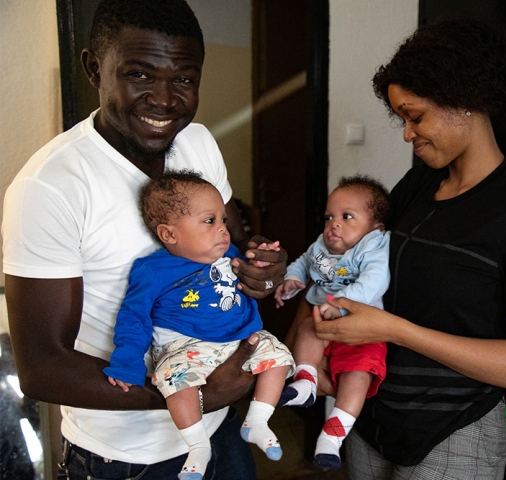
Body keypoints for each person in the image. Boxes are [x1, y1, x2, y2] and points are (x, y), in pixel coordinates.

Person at [1, 1, 287, 479]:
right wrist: (191, 392)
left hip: (223, 435)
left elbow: (233, 244)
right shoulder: (51, 186)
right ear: (95, 68)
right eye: (139, 74)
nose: (165, 100)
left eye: (184, 79)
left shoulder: (197, 142)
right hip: (125, 459)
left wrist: (260, 269)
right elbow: (43, 368)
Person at [307, 18, 506, 479]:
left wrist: (398, 330)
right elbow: (359, 267)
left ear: (464, 102)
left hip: (452, 434)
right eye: (402, 119)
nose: (407, 134)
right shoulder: (418, 185)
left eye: (416, 116)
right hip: (370, 419)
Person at [103, 170, 295, 479]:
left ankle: (258, 420)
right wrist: (126, 364)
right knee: (176, 380)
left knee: (279, 358)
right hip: (186, 345)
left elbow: (252, 275)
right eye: (210, 221)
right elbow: (133, 318)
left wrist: (260, 263)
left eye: (223, 220)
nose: (223, 229)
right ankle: (197, 445)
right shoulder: (153, 271)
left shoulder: (230, 254)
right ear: (169, 234)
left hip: (239, 338)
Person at [274, 175, 391, 470]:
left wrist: (339, 306)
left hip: (360, 331)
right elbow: (304, 261)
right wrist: (292, 279)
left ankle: (333, 434)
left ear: (373, 228)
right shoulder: (321, 247)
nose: (333, 225)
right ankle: (305, 380)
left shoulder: (372, 248)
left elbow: (375, 282)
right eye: (329, 217)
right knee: (306, 330)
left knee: (359, 374)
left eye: (347, 217)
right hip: (322, 323)